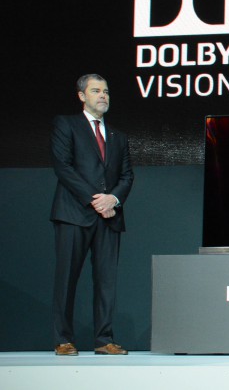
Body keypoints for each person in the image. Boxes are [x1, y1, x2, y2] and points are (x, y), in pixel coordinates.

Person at [50, 73, 135, 356]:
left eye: (106, 91)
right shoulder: (67, 124)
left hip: (110, 216)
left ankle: (104, 340)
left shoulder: (118, 136)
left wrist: (113, 199)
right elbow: (63, 167)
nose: (103, 96)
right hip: (74, 213)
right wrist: (94, 199)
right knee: (67, 279)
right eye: (96, 91)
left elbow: (127, 175)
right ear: (81, 96)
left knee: (106, 281)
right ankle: (63, 339)